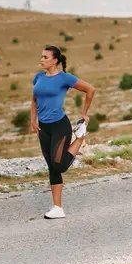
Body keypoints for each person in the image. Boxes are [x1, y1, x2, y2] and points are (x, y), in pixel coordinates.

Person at [31, 45, 96, 219]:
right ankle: (57, 208)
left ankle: (80, 138)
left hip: (60, 126)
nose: (42, 60)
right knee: (52, 167)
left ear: (55, 60)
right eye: (42, 57)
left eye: (45, 57)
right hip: (44, 127)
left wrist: (84, 113)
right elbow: (35, 98)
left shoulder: (64, 78)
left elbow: (90, 89)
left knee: (59, 164)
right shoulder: (38, 77)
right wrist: (33, 119)